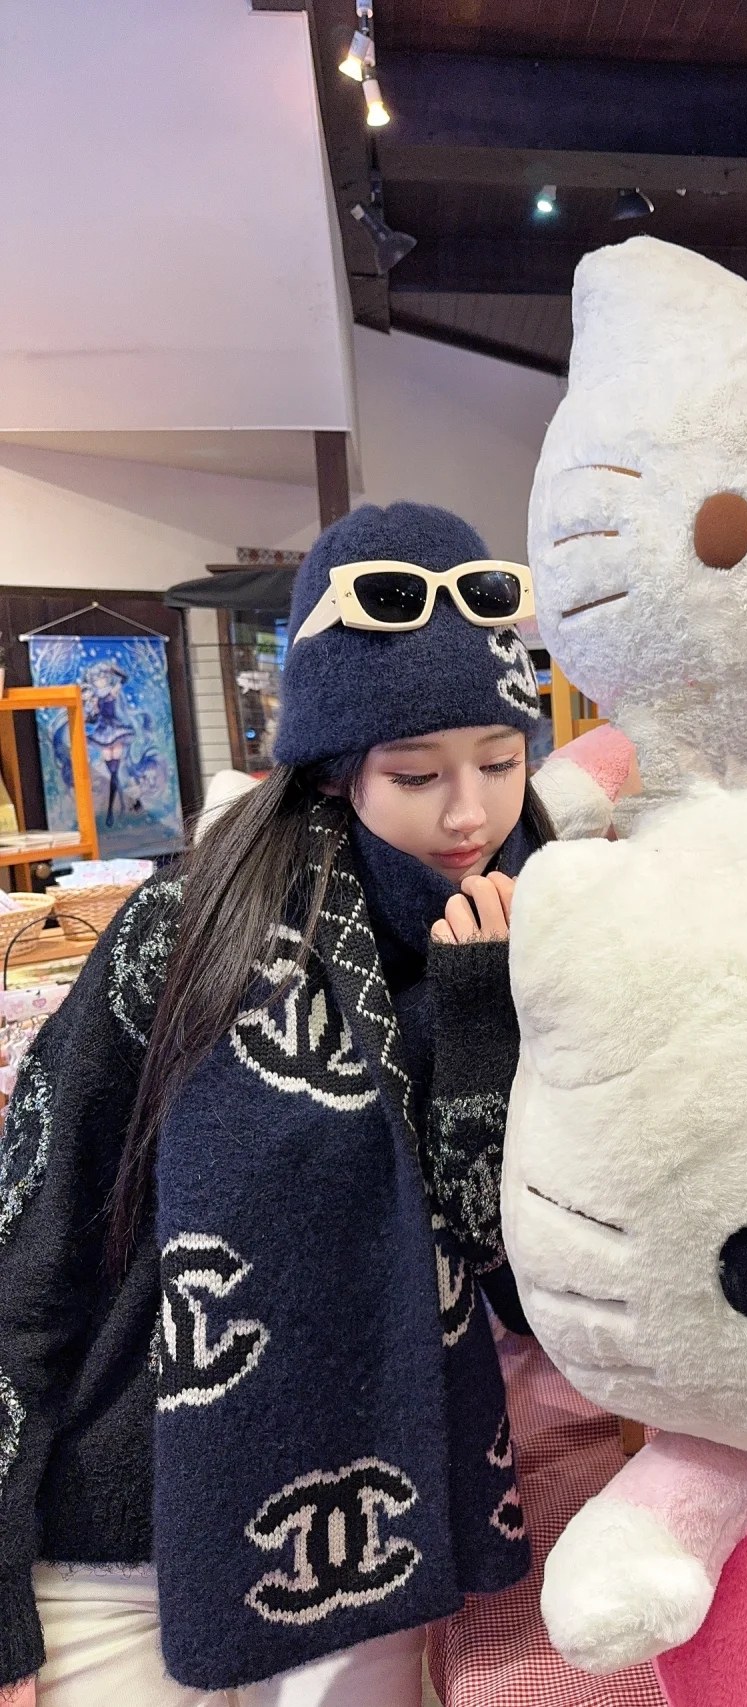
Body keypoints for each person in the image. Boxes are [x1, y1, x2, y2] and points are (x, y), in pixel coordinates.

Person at [0, 502, 561, 1707]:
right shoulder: (187, 927)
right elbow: (34, 1238)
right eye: (415, 774)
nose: (468, 814)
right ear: (334, 765)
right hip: (120, 1532)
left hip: (385, 1535)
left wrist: (480, 1023)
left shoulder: (554, 936)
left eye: (499, 759)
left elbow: (533, 1285)